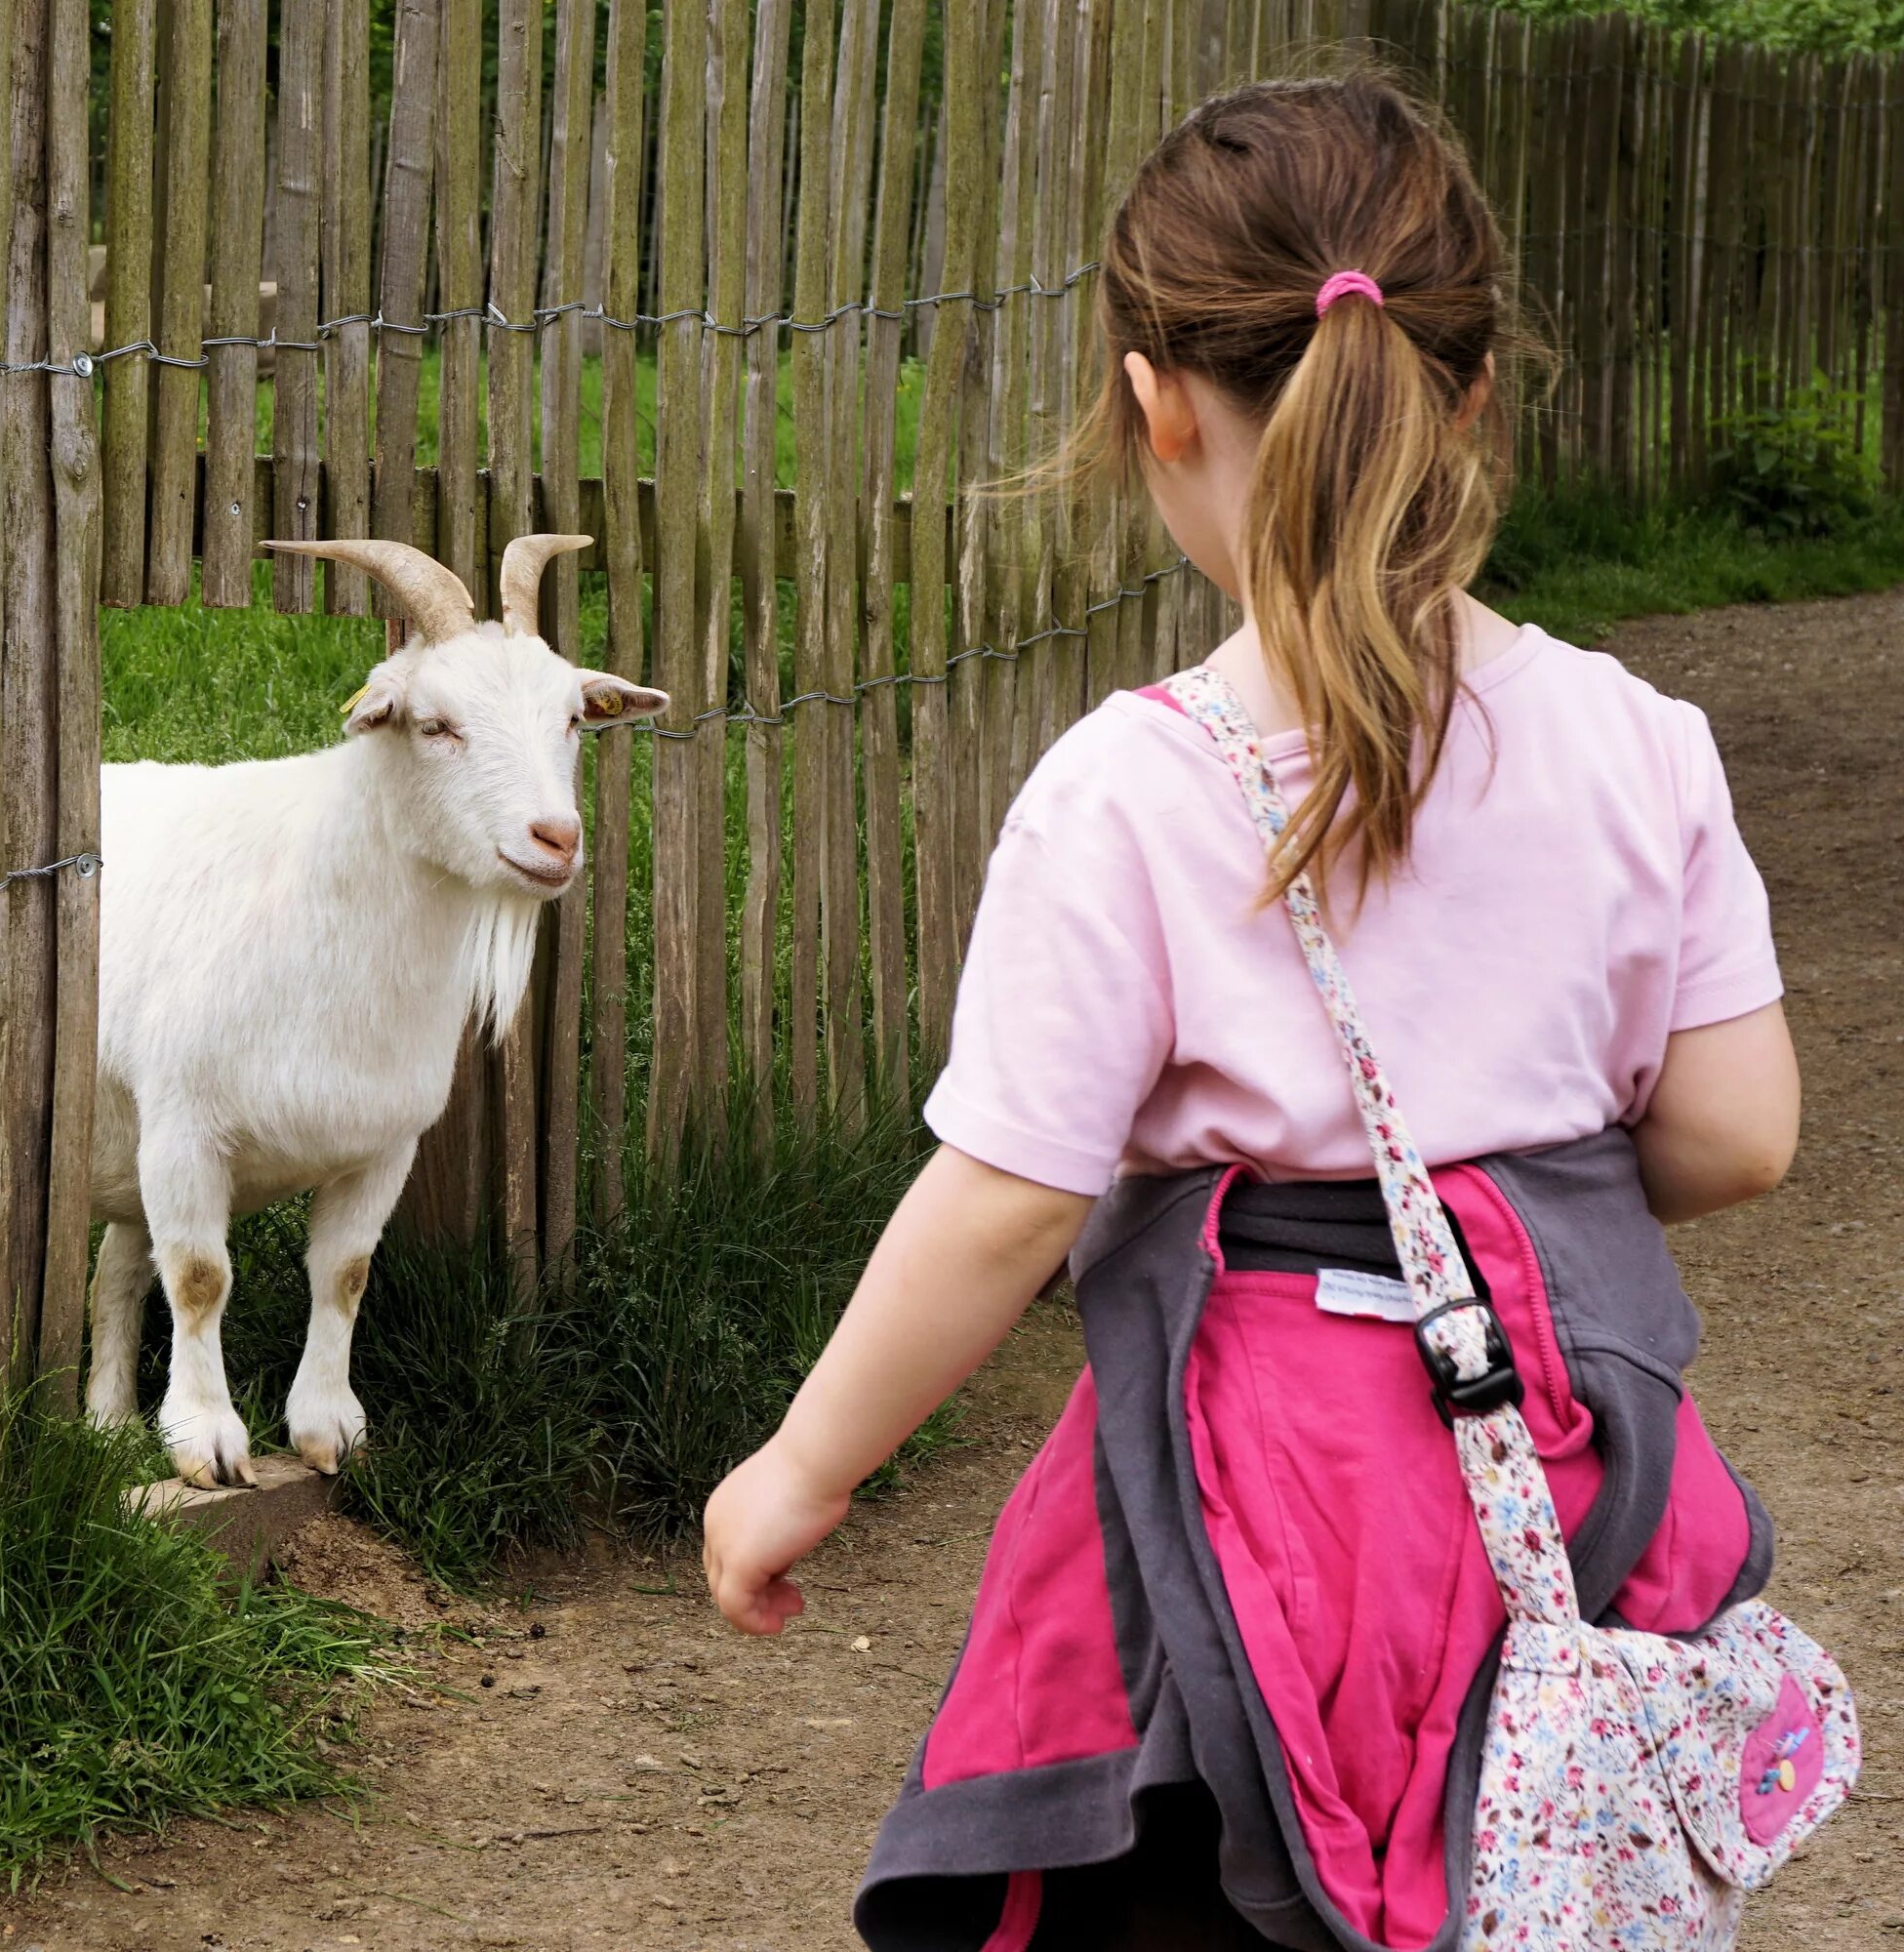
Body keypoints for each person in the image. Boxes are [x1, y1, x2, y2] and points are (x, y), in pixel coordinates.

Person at [703, 75, 1803, 1952]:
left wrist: (800, 1468)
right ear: (1471, 391)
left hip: (1249, 1510)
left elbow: (1007, 1200)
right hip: (1561, 1480)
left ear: (1151, 402)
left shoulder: (1134, 788)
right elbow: (1738, 1135)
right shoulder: (1643, 745)